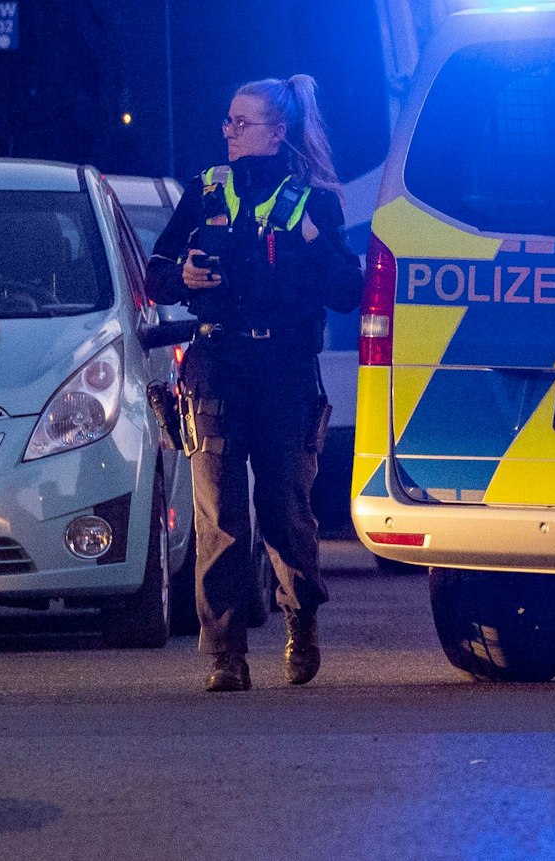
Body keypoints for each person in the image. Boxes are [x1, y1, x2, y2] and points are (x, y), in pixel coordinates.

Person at [147, 75, 363, 692]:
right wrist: (184, 276)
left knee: (284, 508)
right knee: (219, 511)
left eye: (242, 124)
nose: (230, 134)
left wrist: (317, 244)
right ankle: (225, 654)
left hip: (286, 369)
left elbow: (348, 292)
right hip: (216, 361)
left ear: (277, 132)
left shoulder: (313, 200)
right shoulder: (206, 190)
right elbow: (158, 272)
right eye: (227, 122)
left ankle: (302, 618)